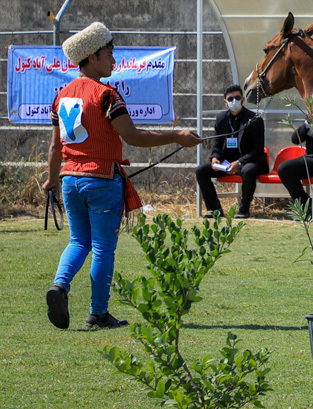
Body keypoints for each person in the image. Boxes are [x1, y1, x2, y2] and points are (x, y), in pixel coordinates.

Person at [44, 21, 201, 330]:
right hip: (101, 180)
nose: (113, 61)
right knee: (103, 247)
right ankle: (98, 313)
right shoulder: (106, 95)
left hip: (70, 180)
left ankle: (59, 286)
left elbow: (54, 147)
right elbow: (132, 136)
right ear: (91, 57)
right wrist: (177, 136)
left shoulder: (61, 95)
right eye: (109, 54)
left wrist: (51, 179)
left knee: (78, 241)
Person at [195, 85, 269, 220]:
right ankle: (215, 209)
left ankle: (244, 209)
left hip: (251, 161)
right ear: (225, 101)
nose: (234, 101)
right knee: (201, 170)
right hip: (227, 162)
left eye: (237, 98)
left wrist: (239, 163)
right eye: (230, 98)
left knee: (247, 170)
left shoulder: (254, 119)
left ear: (243, 99)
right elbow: (216, 143)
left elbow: (257, 150)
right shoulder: (221, 118)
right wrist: (215, 158)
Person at [278, 120, 313, 217]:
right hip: (311, 158)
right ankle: (308, 207)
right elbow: (295, 139)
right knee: (285, 169)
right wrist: (307, 124)